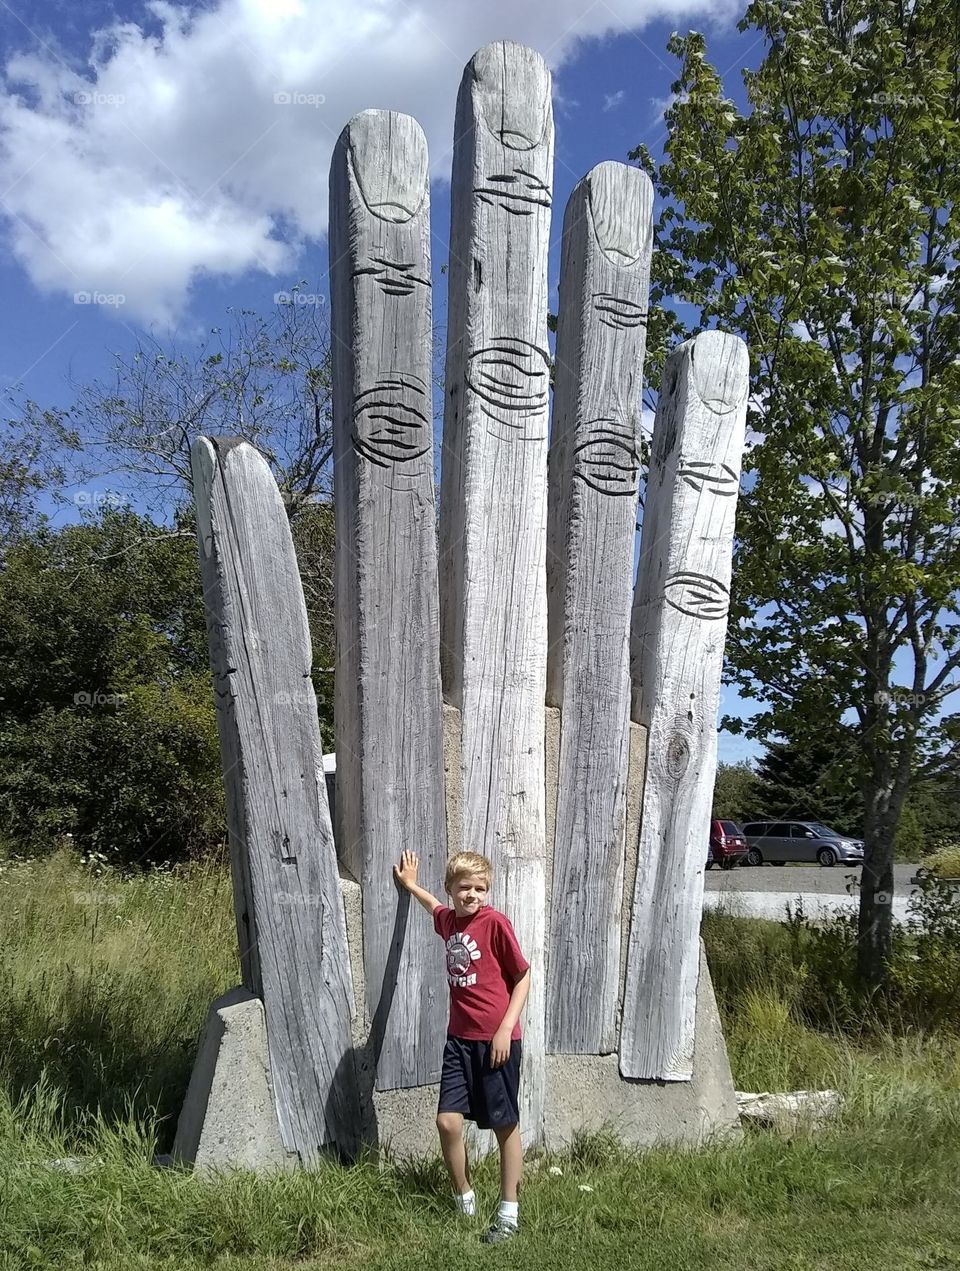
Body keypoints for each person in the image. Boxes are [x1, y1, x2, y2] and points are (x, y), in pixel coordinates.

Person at [392, 847, 530, 1243]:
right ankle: (464, 1197)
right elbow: (433, 906)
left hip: (496, 1043)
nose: (473, 894)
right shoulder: (450, 922)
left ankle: (508, 1213)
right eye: (464, 887)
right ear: (451, 888)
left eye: (480, 888)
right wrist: (411, 885)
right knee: (447, 1121)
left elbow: (522, 977)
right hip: (459, 1042)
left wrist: (505, 1029)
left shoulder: (495, 924)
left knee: (504, 1125)